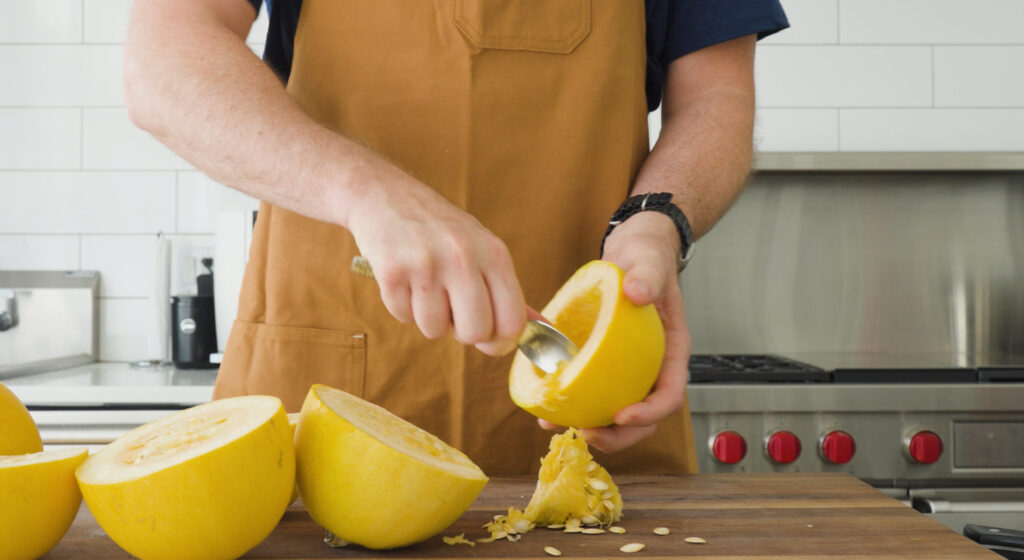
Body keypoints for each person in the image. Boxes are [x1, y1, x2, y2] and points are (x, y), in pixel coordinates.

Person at [124, 0, 787, 474]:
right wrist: (366, 190)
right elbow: (164, 62)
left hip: (590, 400)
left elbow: (716, 99)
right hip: (320, 377)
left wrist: (657, 221)